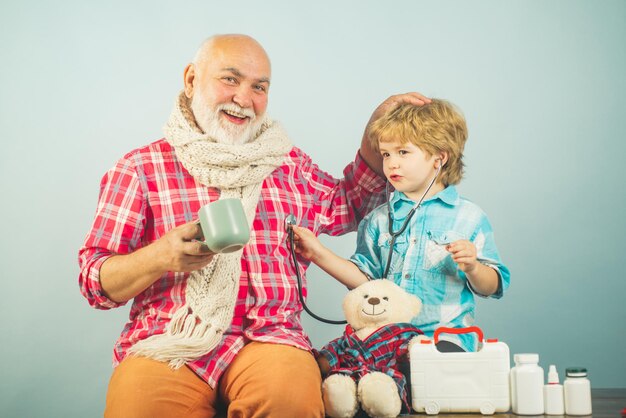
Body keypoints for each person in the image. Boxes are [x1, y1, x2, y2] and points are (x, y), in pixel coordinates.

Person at [78, 33, 430, 418]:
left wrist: (374, 133)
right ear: (192, 79)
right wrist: (159, 256)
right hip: (167, 340)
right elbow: (97, 283)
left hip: (270, 337)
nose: (244, 99)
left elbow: (349, 203)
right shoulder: (139, 169)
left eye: (258, 87)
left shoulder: (288, 163)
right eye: (230, 79)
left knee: (290, 404)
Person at [292, 99, 511, 352]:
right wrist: (318, 254)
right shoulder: (378, 219)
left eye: (403, 152)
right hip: (388, 342)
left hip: (443, 344)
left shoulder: (468, 217)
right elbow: (365, 281)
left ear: (439, 158)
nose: (391, 163)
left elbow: (494, 285)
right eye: (386, 154)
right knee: (337, 361)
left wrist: (473, 267)